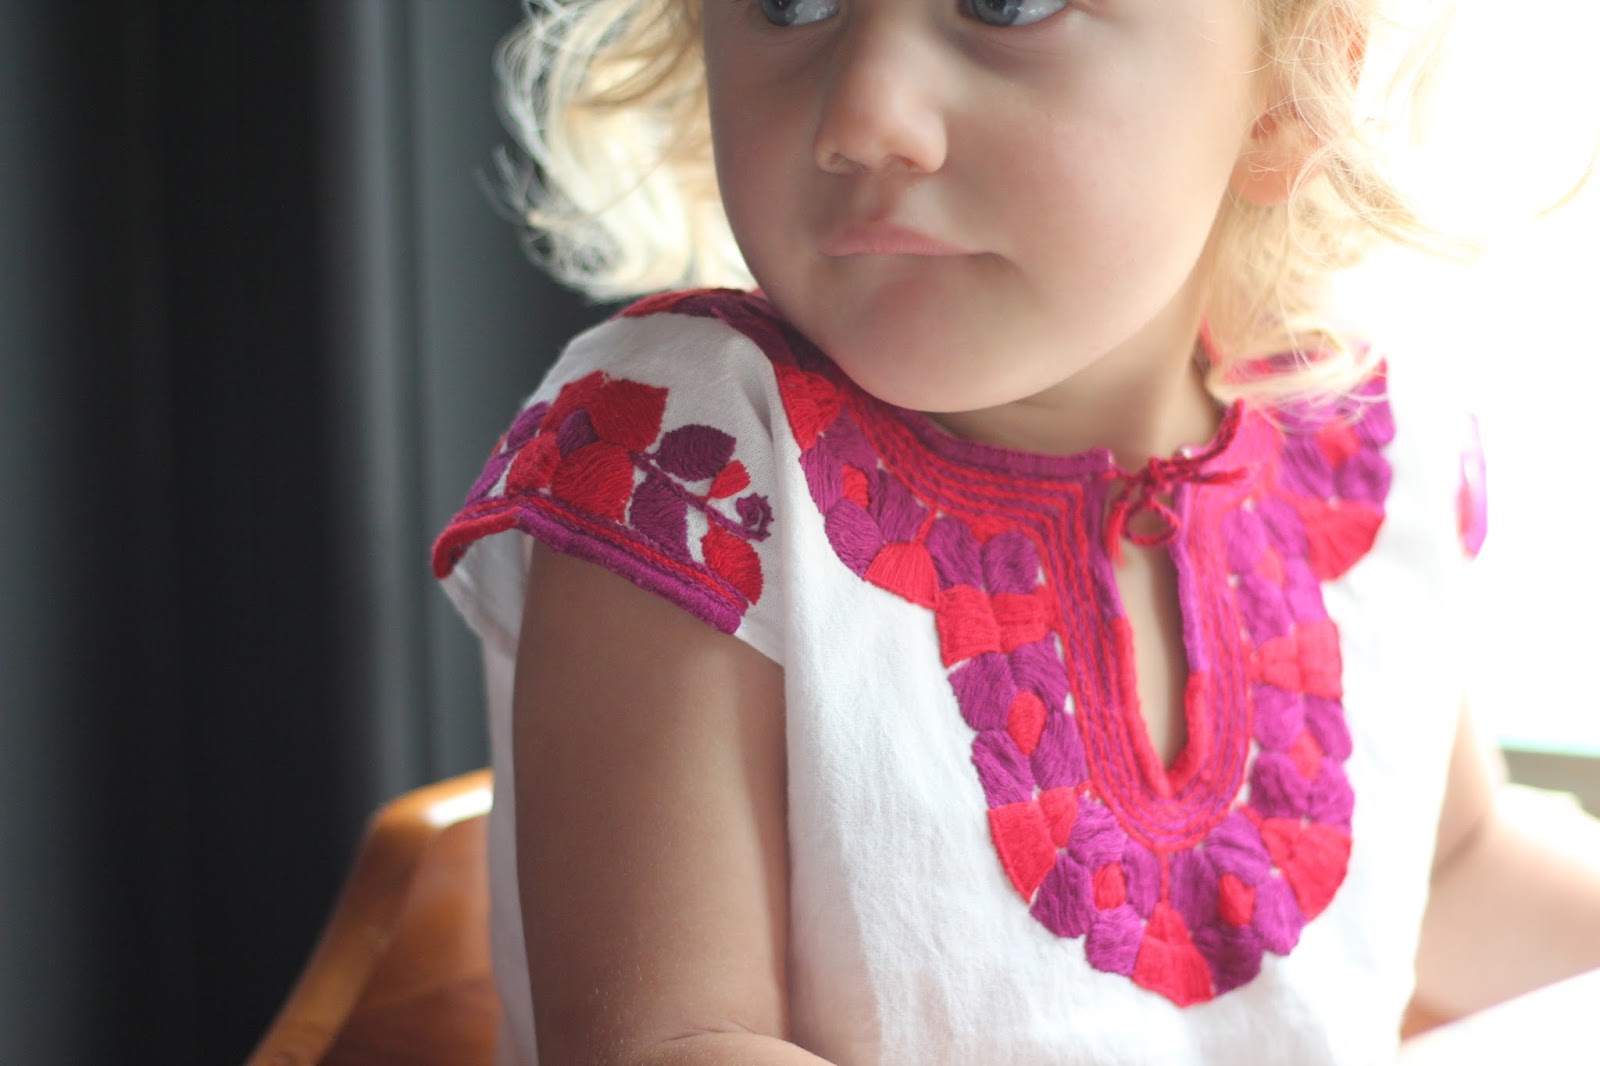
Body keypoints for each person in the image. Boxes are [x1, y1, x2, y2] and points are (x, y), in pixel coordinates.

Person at [432, 0, 1600, 1062]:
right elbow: (670, 1043)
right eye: (789, 3)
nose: (864, 118)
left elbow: (1454, 873)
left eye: (1006, 5)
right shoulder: (690, 456)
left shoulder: (1356, 442)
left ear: (1283, 97)